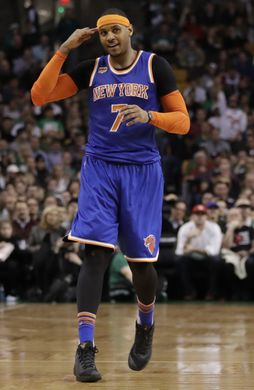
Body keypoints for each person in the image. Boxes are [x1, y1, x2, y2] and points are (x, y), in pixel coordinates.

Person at [31, 8, 190, 382]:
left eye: (115, 31)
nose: (110, 38)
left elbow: (182, 122)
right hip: (100, 168)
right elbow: (39, 97)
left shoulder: (155, 66)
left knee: (141, 265)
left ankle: (146, 322)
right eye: (104, 34)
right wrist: (64, 50)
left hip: (142, 172)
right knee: (94, 254)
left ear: (129, 31)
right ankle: (85, 348)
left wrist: (151, 116)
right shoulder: (93, 68)